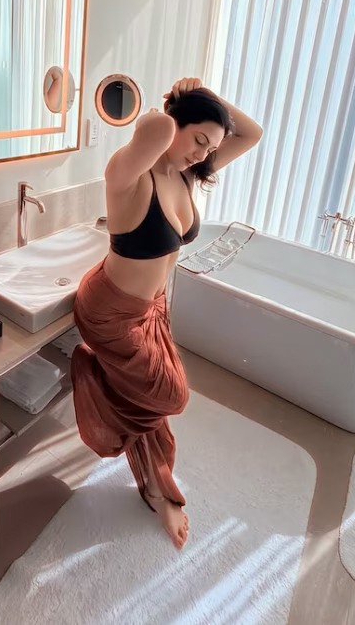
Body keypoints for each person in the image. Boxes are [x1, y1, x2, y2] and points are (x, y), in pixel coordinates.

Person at [71, 77, 262, 549]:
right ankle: (94, 377)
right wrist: (179, 100)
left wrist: (208, 96)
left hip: (152, 309)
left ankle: (157, 490)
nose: (203, 154)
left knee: (151, 404)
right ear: (176, 124)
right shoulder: (128, 176)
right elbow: (155, 127)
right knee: (170, 397)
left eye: (211, 147)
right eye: (199, 139)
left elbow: (252, 133)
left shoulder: (186, 173)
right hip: (111, 313)